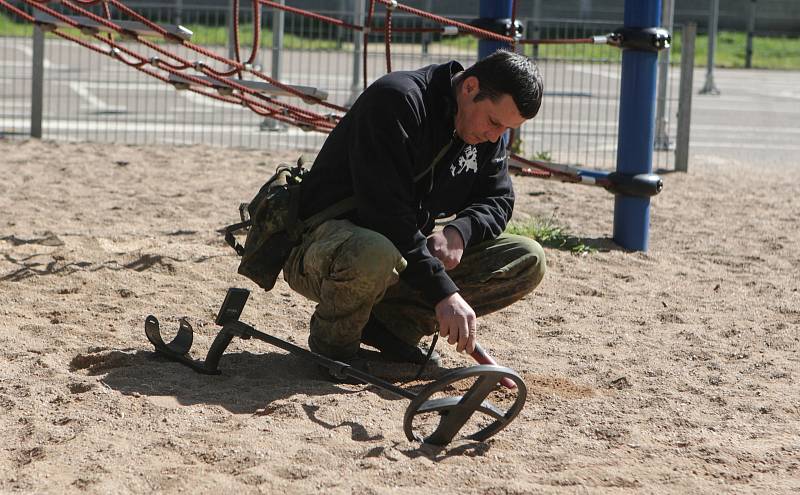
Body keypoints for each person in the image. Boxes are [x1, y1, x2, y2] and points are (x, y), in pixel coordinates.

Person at [283, 49, 546, 376]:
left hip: (398, 255)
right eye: (494, 122)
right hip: (323, 248)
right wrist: (443, 292)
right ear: (470, 88)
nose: (495, 137)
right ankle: (334, 348)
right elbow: (386, 215)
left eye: (505, 130)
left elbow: (499, 199)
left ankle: (389, 327)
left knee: (527, 257)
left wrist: (458, 232)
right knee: (375, 252)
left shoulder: (484, 132)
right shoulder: (397, 101)